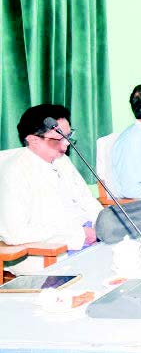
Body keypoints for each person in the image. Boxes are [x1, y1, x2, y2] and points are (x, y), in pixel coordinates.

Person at [0, 105, 103, 275]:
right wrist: (79, 235)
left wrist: (101, 224)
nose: (67, 143)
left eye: (69, 136)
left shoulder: (62, 160)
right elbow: (15, 233)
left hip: (88, 236)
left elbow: (87, 200)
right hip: (49, 251)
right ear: (33, 140)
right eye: (59, 138)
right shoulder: (13, 172)